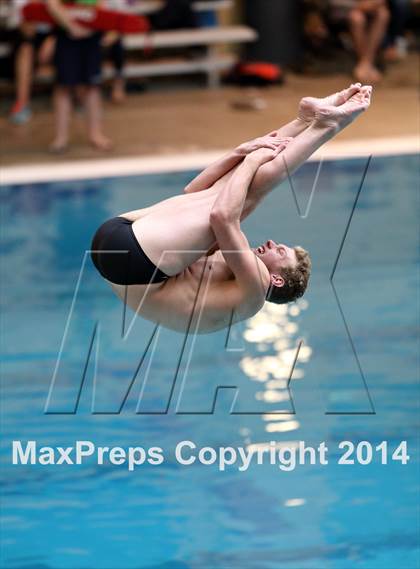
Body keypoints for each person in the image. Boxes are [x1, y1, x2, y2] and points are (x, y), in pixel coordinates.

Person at [91, 84, 372, 334]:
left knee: (242, 200)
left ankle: (324, 126)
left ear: (276, 278)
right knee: (238, 199)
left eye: (281, 252)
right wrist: (241, 152)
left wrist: (251, 161)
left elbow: (222, 215)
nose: (273, 243)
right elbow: (195, 192)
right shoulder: (227, 276)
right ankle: (306, 120)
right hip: (122, 252)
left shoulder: (256, 290)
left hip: (131, 258)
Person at [46, 0, 112, 151]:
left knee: (92, 87)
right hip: (66, 35)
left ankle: (95, 133)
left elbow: (102, 5)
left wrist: (94, 25)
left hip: (92, 34)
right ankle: (61, 136)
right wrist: (71, 26)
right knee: (63, 87)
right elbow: (52, 4)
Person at [329, 0, 390, 83]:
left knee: (383, 14)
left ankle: (365, 64)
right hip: (344, 10)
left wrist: (373, 3)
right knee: (357, 18)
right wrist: (359, 6)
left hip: (369, 9)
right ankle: (366, 64)